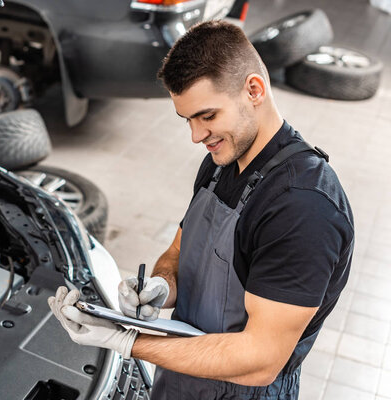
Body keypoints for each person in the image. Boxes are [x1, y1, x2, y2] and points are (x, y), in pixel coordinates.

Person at [48, 20, 354, 400]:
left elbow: (260, 360)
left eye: (207, 116)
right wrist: (160, 285)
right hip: (184, 374)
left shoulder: (304, 207)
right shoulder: (221, 161)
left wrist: (126, 341)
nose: (196, 135)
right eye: (187, 119)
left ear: (254, 90)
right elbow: (180, 249)